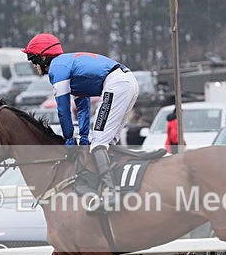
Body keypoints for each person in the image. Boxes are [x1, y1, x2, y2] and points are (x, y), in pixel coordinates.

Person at [22, 33, 139, 213]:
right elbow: (82, 104)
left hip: (116, 84)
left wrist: (69, 138)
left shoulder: (57, 68)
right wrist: (83, 137)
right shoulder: (69, 66)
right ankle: (115, 184)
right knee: (106, 142)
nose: (34, 65)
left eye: (33, 59)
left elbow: (62, 109)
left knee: (99, 142)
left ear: (44, 57)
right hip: (127, 81)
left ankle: (109, 193)